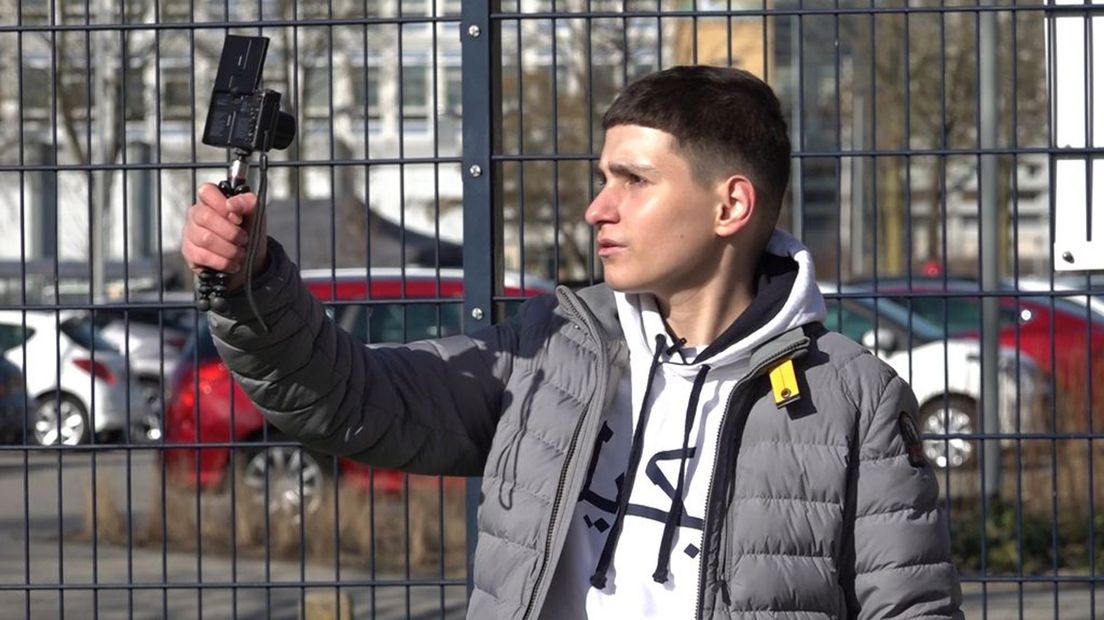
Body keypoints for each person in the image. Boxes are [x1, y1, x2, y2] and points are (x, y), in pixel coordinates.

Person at [181, 65, 963, 619]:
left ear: (731, 205)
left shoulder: (853, 400)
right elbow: (347, 398)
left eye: (633, 180)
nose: (598, 208)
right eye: (603, 177)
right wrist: (253, 285)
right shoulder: (551, 345)